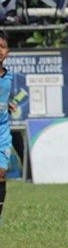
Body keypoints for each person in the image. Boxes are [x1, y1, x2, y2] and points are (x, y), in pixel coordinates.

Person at [0, 31, 13, 224]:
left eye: (1, 47)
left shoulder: (8, 77)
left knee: (1, 173)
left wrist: (8, 104)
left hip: (2, 131)